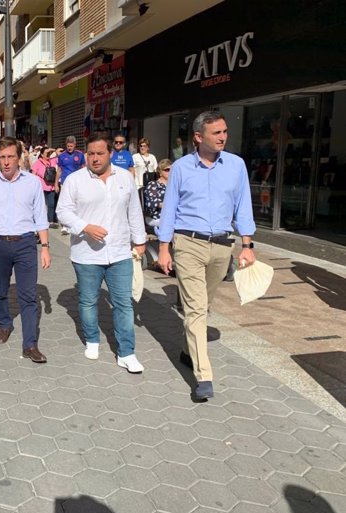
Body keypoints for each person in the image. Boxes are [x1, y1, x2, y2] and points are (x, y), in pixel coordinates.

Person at [158, 110, 256, 401]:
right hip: (188, 243)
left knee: (205, 305)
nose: (223, 137)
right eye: (217, 133)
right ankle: (204, 376)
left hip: (222, 246)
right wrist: (164, 248)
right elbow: (170, 209)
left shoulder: (236, 166)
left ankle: (188, 352)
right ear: (199, 137)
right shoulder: (181, 168)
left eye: (225, 131)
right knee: (196, 309)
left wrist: (247, 246)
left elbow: (243, 206)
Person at [56, 135, 147, 372]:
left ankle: (126, 352)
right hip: (86, 254)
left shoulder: (125, 178)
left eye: (100, 153)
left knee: (123, 304)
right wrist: (85, 227)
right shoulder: (75, 180)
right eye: (90, 154)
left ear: (110, 154)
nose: (95, 158)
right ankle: (92, 339)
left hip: (119, 253)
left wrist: (140, 240)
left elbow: (134, 211)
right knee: (88, 301)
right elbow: (62, 211)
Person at [0, 136, 51, 363]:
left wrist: (45, 247)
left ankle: (30, 344)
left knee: (28, 297)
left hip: (26, 244)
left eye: (11, 157)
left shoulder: (33, 183)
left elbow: (41, 217)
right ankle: (4, 324)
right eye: (3, 157)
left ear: (19, 158)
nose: (6, 162)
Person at [57, 136, 85, 234]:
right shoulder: (61, 156)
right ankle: (65, 225)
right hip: (64, 182)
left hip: (78, 182)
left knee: (77, 203)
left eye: (71, 146)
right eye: (68, 146)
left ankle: (76, 223)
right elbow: (59, 170)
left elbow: (83, 168)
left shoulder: (80, 155)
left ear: (75, 145)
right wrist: (56, 183)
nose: (69, 148)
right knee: (65, 203)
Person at [31, 146, 59, 228]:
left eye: (49, 153)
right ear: (42, 154)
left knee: (51, 204)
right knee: (41, 205)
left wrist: (52, 149)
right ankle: (40, 220)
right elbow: (33, 175)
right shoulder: (37, 163)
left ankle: (50, 221)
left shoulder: (53, 160)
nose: (48, 154)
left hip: (51, 187)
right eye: (46, 153)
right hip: (41, 187)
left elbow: (60, 154)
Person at [143, 158, 172, 229]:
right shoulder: (153, 185)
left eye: (172, 170)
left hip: (172, 216)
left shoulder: (174, 185)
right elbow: (154, 203)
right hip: (156, 216)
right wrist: (173, 206)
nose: (170, 172)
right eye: (167, 170)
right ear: (160, 172)